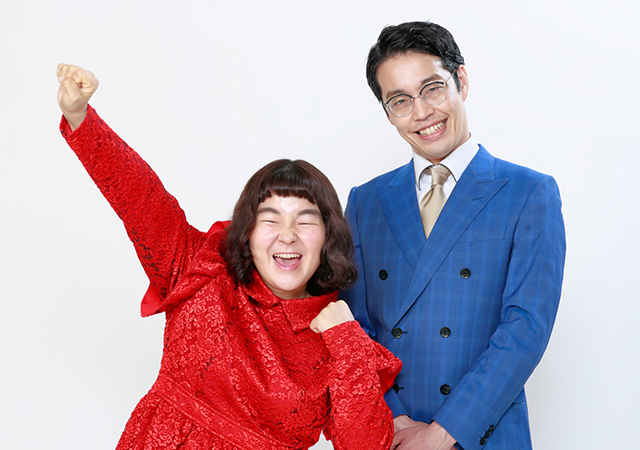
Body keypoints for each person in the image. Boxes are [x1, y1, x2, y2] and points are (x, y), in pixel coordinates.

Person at [56, 64, 402, 450]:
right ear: (247, 232)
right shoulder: (200, 268)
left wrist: (346, 339)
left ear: (327, 237)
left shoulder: (337, 336)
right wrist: (80, 116)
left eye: (305, 221)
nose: (287, 235)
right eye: (270, 219)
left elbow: (365, 445)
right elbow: (140, 198)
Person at [341, 22, 566, 450]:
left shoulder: (528, 192)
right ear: (387, 112)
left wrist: (442, 433)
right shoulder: (366, 201)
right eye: (400, 100)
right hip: (391, 434)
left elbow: (526, 328)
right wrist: (393, 418)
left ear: (461, 80)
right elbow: (353, 328)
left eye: (432, 88)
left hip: (484, 432)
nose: (422, 112)